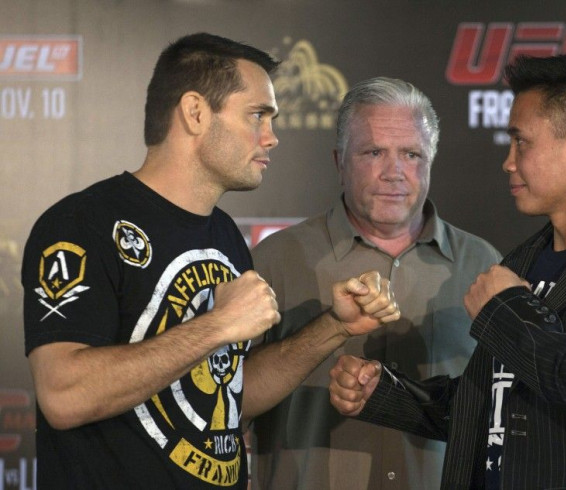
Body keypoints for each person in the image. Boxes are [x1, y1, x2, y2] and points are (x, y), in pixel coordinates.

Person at [22, 33, 399, 490]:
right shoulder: (83, 223)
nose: (272, 136)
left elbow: (229, 395)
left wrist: (335, 326)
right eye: (257, 115)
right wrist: (217, 324)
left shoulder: (223, 236)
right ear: (196, 112)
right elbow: (63, 395)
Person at [329, 52, 566, 489]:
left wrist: (509, 310)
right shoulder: (523, 261)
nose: (508, 162)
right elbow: (494, 405)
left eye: (521, 142)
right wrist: (386, 393)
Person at [248, 77, 502, 489]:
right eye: (373, 152)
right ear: (339, 161)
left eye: (411, 154)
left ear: (430, 162)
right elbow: (225, 404)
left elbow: (501, 416)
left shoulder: (483, 264)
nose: (394, 172)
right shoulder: (274, 260)